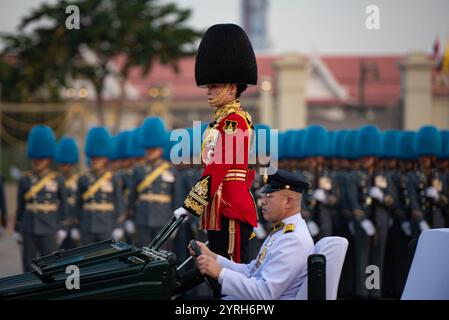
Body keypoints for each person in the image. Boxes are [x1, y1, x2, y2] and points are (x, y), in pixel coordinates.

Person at [173, 23, 258, 264]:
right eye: (209, 85)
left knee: (230, 273)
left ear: (232, 88)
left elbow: (219, 166)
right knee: (214, 271)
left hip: (230, 207)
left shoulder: (235, 121)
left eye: (214, 85)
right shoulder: (220, 121)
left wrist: (191, 204)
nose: (208, 91)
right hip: (217, 207)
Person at [191, 169, 314, 300]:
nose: (263, 201)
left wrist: (219, 273)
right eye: (264, 196)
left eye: (269, 196)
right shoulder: (283, 232)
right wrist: (215, 259)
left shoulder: (292, 240)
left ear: (288, 202)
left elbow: (264, 293)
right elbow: (252, 271)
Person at [15, 125, 68, 272]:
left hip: (50, 227)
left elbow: (64, 206)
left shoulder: (57, 179)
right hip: (29, 227)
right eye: (35, 158)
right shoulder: (24, 179)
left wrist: (63, 227)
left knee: (50, 266)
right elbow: (20, 206)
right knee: (28, 267)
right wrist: (17, 228)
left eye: (41, 158)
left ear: (49, 158)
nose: (37, 161)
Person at [128, 117, 182, 249]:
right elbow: (132, 197)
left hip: (164, 219)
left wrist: (176, 223)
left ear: (161, 149)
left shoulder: (171, 170)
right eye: (149, 149)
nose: (151, 152)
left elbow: (176, 198)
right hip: (143, 218)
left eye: (154, 149)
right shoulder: (139, 170)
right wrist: (130, 218)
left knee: (162, 257)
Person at [74, 127, 125, 245]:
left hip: (106, 225)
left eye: (99, 158)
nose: (96, 160)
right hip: (87, 225)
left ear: (105, 158)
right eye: (93, 158)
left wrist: (119, 226)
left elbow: (119, 203)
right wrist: (75, 226)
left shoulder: (114, 178)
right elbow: (78, 204)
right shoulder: (83, 179)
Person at [55, 136, 80, 250]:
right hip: (58, 223)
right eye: (64, 164)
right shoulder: (55, 180)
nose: (66, 167)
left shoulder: (79, 180)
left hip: (74, 222)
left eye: (69, 164)